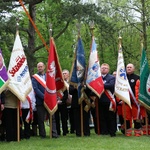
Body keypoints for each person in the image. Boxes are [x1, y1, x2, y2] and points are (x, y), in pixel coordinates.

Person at [32, 62, 58, 138]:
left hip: (50, 101)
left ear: (44, 67)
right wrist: (44, 97)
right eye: (38, 67)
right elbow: (36, 89)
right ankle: (42, 135)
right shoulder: (34, 78)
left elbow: (52, 86)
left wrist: (50, 97)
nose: (40, 68)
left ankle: (54, 134)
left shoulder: (49, 76)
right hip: (40, 101)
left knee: (52, 117)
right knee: (41, 119)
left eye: (41, 66)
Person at [98, 63, 116, 137]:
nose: (103, 69)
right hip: (100, 100)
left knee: (110, 117)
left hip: (109, 100)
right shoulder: (97, 78)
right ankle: (104, 131)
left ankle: (112, 131)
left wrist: (100, 85)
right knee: (102, 117)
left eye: (105, 68)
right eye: (102, 68)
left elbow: (111, 85)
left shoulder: (111, 77)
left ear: (108, 70)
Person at [124, 63, 141, 136]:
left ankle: (137, 132)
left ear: (133, 69)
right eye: (127, 67)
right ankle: (128, 132)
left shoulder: (137, 78)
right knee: (127, 117)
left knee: (136, 117)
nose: (129, 68)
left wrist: (138, 100)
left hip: (135, 101)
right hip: (125, 101)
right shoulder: (122, 78)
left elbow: (140, 90)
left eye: (130, 67)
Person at [62, 69, 74, 134]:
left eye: (65, 73)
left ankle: (73, 129)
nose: (64, 75)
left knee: (72, 117)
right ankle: (65, 130)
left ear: (68, 74)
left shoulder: (71, 82)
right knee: (65, 117)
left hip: (72, 100)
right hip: (64, 101)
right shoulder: (61, 83)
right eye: (63, 73)